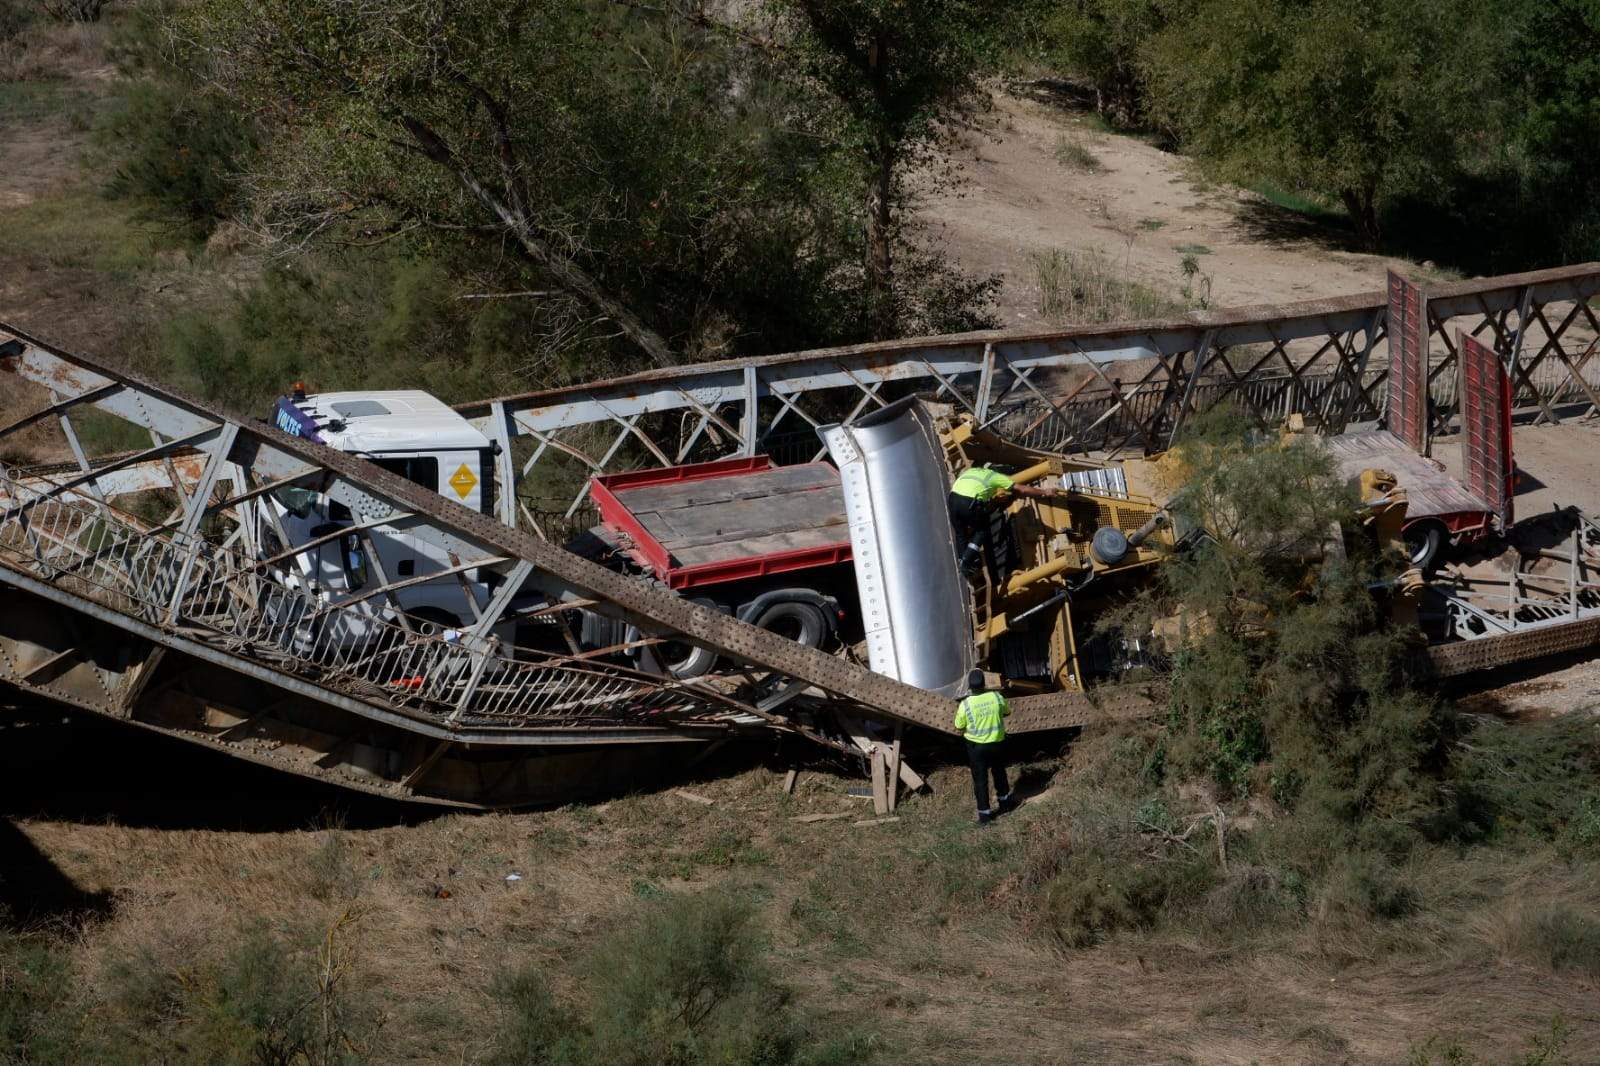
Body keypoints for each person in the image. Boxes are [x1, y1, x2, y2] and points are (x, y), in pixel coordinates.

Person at [947, 465, 1054, 573]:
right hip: (968, 502)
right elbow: (1022, 489)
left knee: (960, 532)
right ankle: (966, 561)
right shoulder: (995, 477)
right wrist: (1044, 492)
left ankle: (963, 561)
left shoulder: (974, 470)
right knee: (981, 531)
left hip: (952, 498)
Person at [955, 669, 1014, 825]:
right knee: (1000, 773)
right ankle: (1005, 805)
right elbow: (1007, 712)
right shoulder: (996, 697)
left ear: (970, 686)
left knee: (980, 781)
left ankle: (985, 816)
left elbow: (959, 725)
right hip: (997, 743)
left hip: (976, 748)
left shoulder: (965, 704)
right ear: (984, 683)